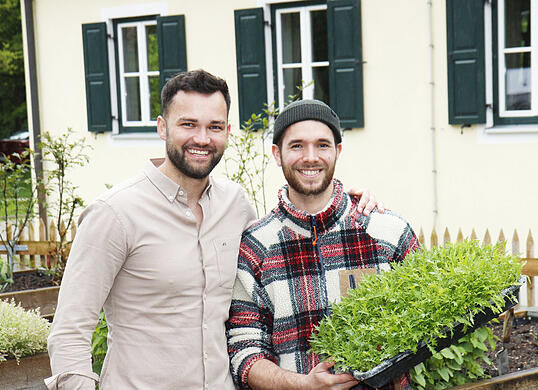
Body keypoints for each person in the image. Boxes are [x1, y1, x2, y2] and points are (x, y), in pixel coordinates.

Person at [46, 70, 382, 389]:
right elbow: (69, 333)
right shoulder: (115, 214)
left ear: (227, 131)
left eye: (214, 126)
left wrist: (347, 203)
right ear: (163, 127)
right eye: (188, 124)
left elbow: (285, 238)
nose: (202, 139)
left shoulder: (235, 205)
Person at [226, 100, 420, 390]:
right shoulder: (256, 247)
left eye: (322, 145)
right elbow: (245, 352)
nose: (310, 157)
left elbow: (430, 319)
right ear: (277, 155)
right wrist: (305, 385)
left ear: (337, 151)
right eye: (296, 146)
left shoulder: (387, 231)